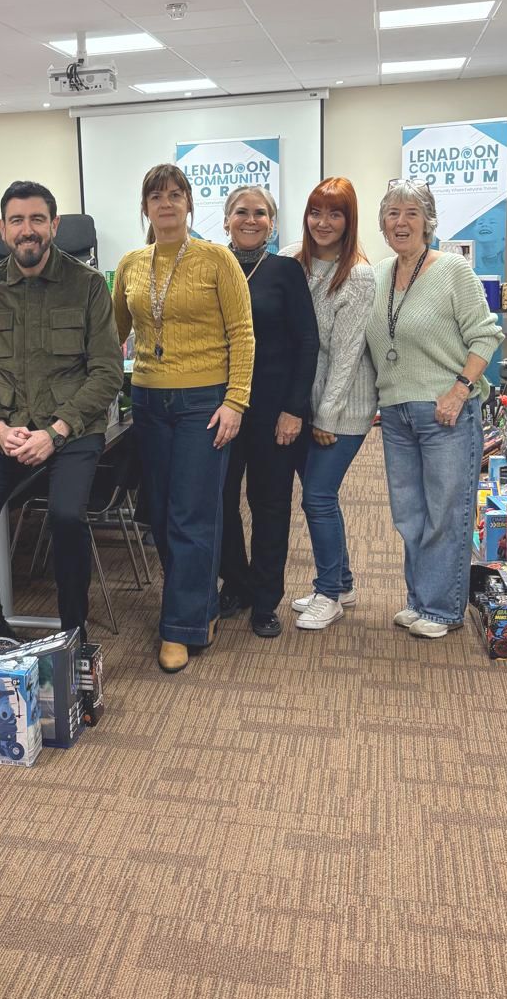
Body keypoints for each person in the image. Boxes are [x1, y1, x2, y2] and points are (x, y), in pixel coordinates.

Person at [0, 181, 123, 640]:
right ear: (2, 229)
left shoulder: (88, 285)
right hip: (5, 429)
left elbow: (107, 373)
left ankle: (73, 634)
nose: (26, 230)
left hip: (71, 431)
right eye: (16, 221)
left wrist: (57, 430)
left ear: (54, 225)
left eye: (36, 220)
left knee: (67, 517)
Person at [113, 164, 255, 673]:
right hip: (149, 402)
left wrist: (235, 400)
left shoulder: (218, 260)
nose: (166, 203)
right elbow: (114, 333)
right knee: (157, 513)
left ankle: (181, 627)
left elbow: (242, 333)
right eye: (156, 196)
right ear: (146, 207)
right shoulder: (131, 263)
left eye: (175, 195)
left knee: (192, 514)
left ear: (190, 204)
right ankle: (201, 605)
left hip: (203, 403)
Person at [367, 179, 503, 638]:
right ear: (382, 223)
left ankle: (444, 609)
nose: (400, 222)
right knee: (410, 513)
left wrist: (460, 389)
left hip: (447, 411)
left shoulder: (452, 271)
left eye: (410, 213)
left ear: (428, 221)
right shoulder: (381, 272)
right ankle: (419, 598)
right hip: (396, 414)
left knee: (448, 510)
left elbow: (487, 335)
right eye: (392, 213)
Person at [217, 185, 319, 638]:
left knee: (270, 504)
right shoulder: (210, 266)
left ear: (272, 224)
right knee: (219, 502)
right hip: (218, 408)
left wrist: (294, 409)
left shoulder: (284, 271)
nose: (251, 219)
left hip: (273, 409)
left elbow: (307, 342)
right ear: (226, 220)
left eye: (261, 213)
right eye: (242, 212)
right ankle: (236, 582)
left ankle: (265, 599)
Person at [286, 179, 377, 631]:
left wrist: (327, 415)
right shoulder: (292, 261)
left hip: (344, 408)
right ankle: (342, 581)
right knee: (321, 496)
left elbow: (346, 354)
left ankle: (328, 594)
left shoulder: (356, 275)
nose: (323, 223)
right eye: (316, 212)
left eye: (335, 214)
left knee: (318, 497)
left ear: (349, 220)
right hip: (304, 404)